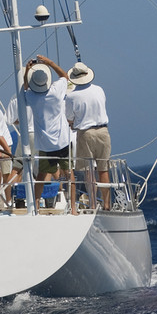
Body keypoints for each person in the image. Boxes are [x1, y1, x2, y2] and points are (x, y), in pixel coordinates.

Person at [24, 54, 73, 209]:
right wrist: (50, 63)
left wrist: (26, 71)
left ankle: (36, 206)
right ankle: (73, 208)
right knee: (68, 174)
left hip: (45, 145)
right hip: (63, 141)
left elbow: (24, 88)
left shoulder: (31, 97)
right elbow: (65, 76)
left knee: (41, 176)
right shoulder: (55, 92)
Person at [65, 61, 112, 209]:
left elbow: (69, 118)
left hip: (85, 133)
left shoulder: (72, 97)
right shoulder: (99, 89)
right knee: (103, 170)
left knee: (88, 171)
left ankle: (92, 203)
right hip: (104, 132)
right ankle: (107, 204)